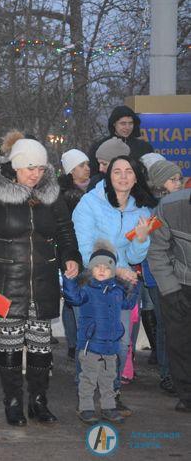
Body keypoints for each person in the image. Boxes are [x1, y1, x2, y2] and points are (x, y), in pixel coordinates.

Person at [0, 131, 81, 427]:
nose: (36, 174)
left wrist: (70, 256)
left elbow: (64, 229)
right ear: (16, 166)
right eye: (30, 168)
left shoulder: (51, 192)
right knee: (9, 345)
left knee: (41, 345)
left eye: (41, 168)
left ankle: (38, 400)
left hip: (43, 279)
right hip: (7, 279)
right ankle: (13, 401)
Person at [72, 155, 155, 417]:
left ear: (136, 176)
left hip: (122, 286)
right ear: (108, 176)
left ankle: (111, 396)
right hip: (91, 282)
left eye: (128, 171)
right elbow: (86, 250)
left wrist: (141, 240)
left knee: (118, 343)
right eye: (116, 171)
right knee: (89, 343)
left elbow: (135, 257)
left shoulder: (142, 210)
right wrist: (115, 269)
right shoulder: (90, 203)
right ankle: (85, 399)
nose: (122, 176)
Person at [63, 239, 140, 424]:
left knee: (108, 379)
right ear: (91, 268)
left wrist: (134, 287)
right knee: (88, 379)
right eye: (97, 266)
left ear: (113, 270)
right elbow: (72, 298)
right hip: (90, 345)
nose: (102, 269)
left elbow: (128, 304)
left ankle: (108, 407)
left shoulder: (117, 291)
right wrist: (69, 280)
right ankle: (86, 408)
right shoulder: (86, 290)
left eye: (107, 266)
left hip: (111, 346)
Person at [147, 186, 191, 412]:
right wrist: (170, 289)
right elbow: (156, 250)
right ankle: (186, 395)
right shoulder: (168, 207)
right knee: (179, 343)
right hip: (179, 283)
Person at [144, 159, 184, 394]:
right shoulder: (155, 211)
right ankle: (168, 373)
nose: (178, 184)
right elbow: (146, 243)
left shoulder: (178, 206)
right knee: (166, 326)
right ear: (159, 183)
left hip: (178, 275)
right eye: (172, 180)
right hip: (158, 276)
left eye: (179, 179)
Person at [57, 148, 91, 359]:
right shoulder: (65, 195)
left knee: (80, 296)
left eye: (87, 164)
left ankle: (79, 340)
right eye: (81, 165)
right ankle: (74, 341)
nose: (87, 169)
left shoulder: (93, 189)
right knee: (72, 297)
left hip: (88, 250)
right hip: (70, 252)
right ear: (71, 170)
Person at [87, 105, 153, 178]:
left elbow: (150, 174)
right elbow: (93, 175)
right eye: (123, 123)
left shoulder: (144, 147)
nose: (127, 127)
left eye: (130, 123)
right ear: (114, 124)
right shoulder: (99, 146)